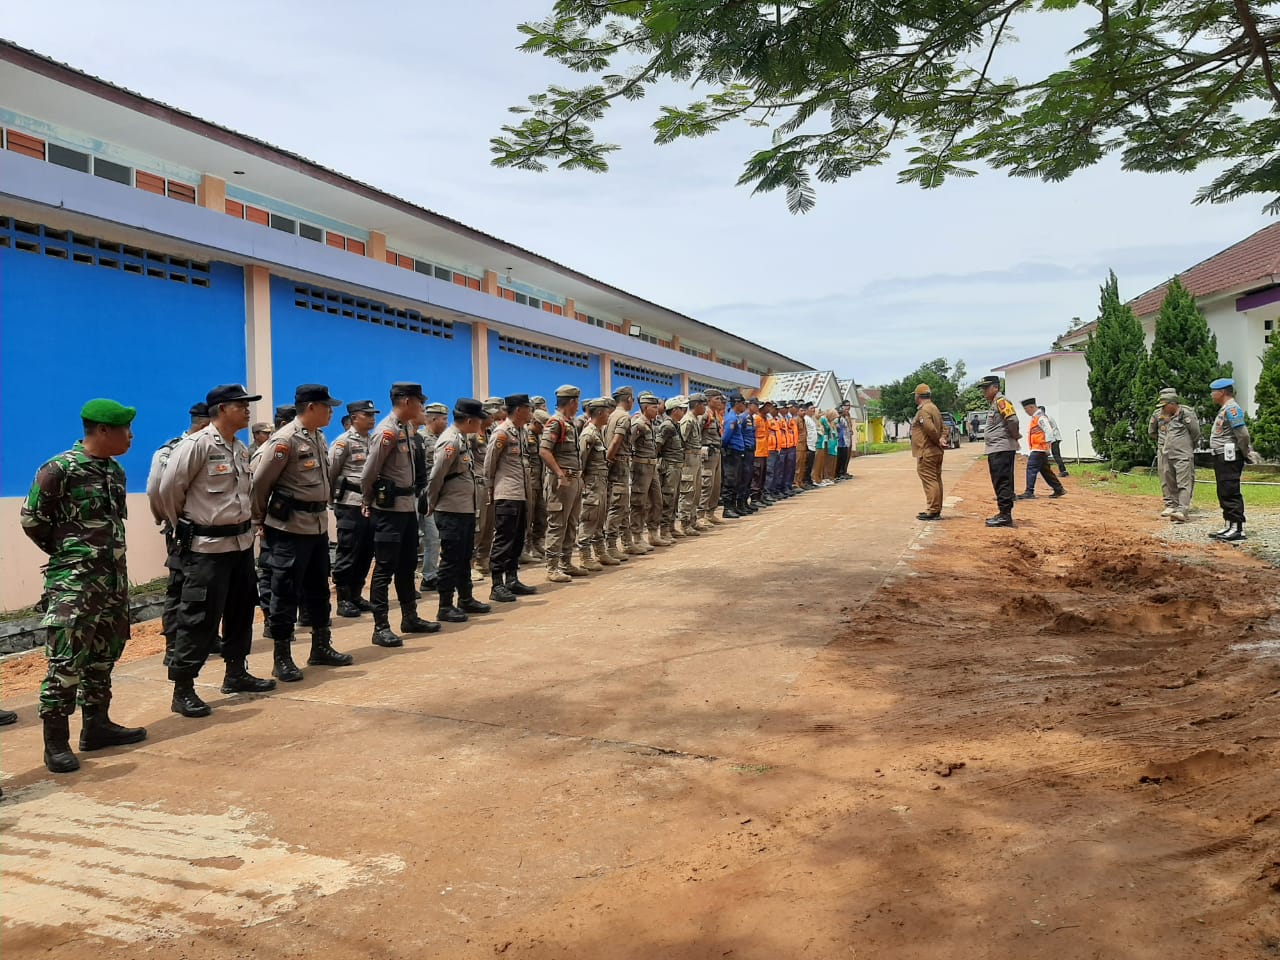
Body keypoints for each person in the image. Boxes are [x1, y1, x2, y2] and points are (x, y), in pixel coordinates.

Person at [21, 398, 147, 773]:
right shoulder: (59, 469)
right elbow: (32, 520)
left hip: (111, 580)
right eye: (125, 429)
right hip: (74, 585)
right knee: (66, 661)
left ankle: (97, 726)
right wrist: (69, 553)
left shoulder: (115, 471)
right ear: (103, 430)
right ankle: (55, 743)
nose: (131, 436)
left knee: (105, 654)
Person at [158, 384, 276, 718]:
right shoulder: (197, 445)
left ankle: (236, 672)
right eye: (242, 405)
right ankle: (183, 689)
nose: (248, 410)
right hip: (206, 548)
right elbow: (168, 490)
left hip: (239, 544)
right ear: (222, 409)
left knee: (240, 611)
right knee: (199, 617)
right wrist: (182, 526)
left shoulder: (239, 447)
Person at [252, 384, 352, 681]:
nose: (331, 412)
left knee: (319, 589)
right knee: (285, 593)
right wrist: (259, 521)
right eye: (327, 407)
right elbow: (259, 484)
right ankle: (281, 657)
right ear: (311, 407)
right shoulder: (284, 441)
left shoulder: (318, 437)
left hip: (316, 525)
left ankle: (320, 646)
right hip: (288, 528)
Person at [361, 382, 440, 648]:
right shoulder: (386, 432)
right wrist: (367, 500)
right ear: (406, 401)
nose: (421, 407)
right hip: (389, 510)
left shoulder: (406, 428)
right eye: (419, 402)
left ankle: (410, 617)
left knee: (407, 565)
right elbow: (370, 472)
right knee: (384, 568)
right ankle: (380, 626)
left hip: (406, 508)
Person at [146, 402, 211, 652]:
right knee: (179, 585)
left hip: (209, 532)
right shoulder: (171, 451)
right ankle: (173, 643)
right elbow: (155, 490)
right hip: (182, 530)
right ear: (204, 424)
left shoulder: (216, 447)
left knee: (208, 586)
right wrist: (170, 521)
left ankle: (207, 637)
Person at [427, 398, 492, 620]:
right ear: (470, 420)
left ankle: (465, 598)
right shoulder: (451, 442)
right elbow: (436, 476)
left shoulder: (463, 439)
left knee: (465, 556)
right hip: (451, 509)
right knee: (451, 558)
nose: (481, 424)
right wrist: (431, 503)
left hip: (464, 508)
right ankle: (445, 605)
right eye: (479, 420)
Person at [330, 399, 378, 618]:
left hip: (370, 504)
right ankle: (343, 598)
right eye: (367, 415)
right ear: (354, 418)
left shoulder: (373, 440)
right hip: (349, 503)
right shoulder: (343, 442)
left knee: (367, 551)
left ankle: (357, 594)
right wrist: (333, 501)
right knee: (349, 550)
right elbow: (331, 473)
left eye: (373, 415)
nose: (372, 418)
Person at [485, 394, 536, 601]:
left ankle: (512, 579)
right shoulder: (502, 433)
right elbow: (490, 464)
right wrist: (490, 489)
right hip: (506, 493)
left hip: (521, 493)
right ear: (518, 410)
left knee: (517, 538)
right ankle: (497, 584)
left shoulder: (521, 431)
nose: (530, 412)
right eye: (527, 408)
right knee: (504, 539)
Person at [542, 385, 588, 580]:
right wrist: (559, 473)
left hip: (573, 480)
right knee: (558, 523)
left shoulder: (569, 424)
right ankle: (552, 567)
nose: (577, 406)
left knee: (571, 523)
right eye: (576, 402)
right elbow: (544, 451)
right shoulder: (555, 423)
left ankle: (566, 562)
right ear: (571, 402)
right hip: (561, 482)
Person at [1208, 377, 1258, 541]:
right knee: (1224, 491)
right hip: (1222, 456)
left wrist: (1245, 452)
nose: (1211, 395)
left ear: (1222, 392)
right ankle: (1229, 524)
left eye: (1213, 392)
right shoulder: (1225, 408)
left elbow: (1243, 434)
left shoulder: (1232, 409)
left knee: (1230, 491)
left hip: (1229, 457)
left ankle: (1237, 528)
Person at [1148, 388, 1201, 524]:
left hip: (1182, 453)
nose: (1163, 409)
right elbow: (1152, 432)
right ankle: (1171, 505)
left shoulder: (1186, 413)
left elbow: (1195, 433)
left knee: (1184, 482)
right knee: (1167, 480)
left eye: (1165, 406)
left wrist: (1186, 446)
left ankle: (1182, 510)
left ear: (1172, 404)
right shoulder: (1157, 414)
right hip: (1165, 453)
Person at [577, 396, 619, 566]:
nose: (609, 416)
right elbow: (581, 461)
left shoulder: (597, 432)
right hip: (591, 483)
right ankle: (585, 556)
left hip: (600, 482)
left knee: (599, 518)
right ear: (600, 413)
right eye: (607, 412)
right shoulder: (588, 434)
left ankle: (600, 552)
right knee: (589, 518)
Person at [978, 375, 1021, 527]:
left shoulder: (1002, 401)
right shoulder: (995, 403)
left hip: (1001, 448)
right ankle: (1004, 513)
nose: (984, 391)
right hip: (998, 448)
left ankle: (1005, 515)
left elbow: (1013, 420)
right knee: (1001, 481)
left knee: (1002, 481)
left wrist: (1015, 436)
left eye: (986, 388)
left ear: (995, 387)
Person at [629, 391, 667, 546]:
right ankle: (637, 537)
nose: (657, 410)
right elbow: (628, 443)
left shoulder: (651, 424)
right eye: (653, 407)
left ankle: (653, 534)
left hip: (652, 467)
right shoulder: (638, 424)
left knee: (657, 501)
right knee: (639, 502)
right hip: (641, 467)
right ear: (645, 408)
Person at [418, 402, 449, 589]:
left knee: (434, 536)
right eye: (444, 419)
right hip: (422, 494)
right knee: (428, 536)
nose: (446, 422)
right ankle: (427, 575)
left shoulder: (442, 438)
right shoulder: (420, 438)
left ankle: (429, 576)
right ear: (433, 419)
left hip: (438, 494)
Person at [605, 386, 637, 558]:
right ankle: (611, 545)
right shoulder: (624, 417)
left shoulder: (611, 416)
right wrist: (609, 461)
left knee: (623, 505)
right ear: (629, 399)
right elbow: (616, 442)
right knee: (617, 506)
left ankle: (626, 542)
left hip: (617, 463)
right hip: (619, 464)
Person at [1017, 398, 1066, 500]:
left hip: (1039, 448)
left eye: (1026, 410)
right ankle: (1058, 489)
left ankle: (1029, 491)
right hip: (1038, 448)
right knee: (1045, 471)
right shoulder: (1036, 417)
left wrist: (1047, 447)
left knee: (1031, 468)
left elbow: (1049, 431)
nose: (1026, 412)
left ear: (1032, 407)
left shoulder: (1040, 418)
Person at [909, 384, 945, 520]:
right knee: (936, 480)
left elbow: (930, 430)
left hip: (927, 451)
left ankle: (933, 509)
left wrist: (937, 440)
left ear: (917, 396)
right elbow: (944, 427)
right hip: (935, 451)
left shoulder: (924, 410)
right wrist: (942, 439)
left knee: (930, 480)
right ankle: (935, 508)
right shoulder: (934, 408)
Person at [656, 396, 688, 541]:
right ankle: (664, 530)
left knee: (674, 498)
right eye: (681, 409)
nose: (683, 411)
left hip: (676, 466)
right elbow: (657, 446)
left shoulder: (675, 425)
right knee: (668, 498)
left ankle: (670, 527)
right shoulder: (667, 426)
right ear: (674, 410)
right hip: (669, 467)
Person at [677, 393, 707, 536]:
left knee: (696, 491)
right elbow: (680, 442)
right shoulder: (687, 420)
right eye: (703, 404)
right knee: (687, 492)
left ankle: (693, 520)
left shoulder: (695, 420)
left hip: (696, 457)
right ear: (696, 405)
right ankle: (685, 523)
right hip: (688, 459)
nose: (705, 408)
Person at [522, 409, 549, 563]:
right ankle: (525, 548)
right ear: (536, 423)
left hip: (540, 482)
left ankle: (537, 544)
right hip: (529, 483)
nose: (543, 429)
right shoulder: (524, 435)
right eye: (542, 426)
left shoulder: (539, 437)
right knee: (527, 517)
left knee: (541, 516)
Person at [699, 390, 726, 525]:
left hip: (716, 453)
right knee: (706, 484)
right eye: (717, 399)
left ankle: (710, 513)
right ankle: (700, 515)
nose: (720, 401)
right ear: (709, 400)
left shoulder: (716, 414)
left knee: (716, 485)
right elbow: (696, 433)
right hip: (707, 454)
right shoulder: (704, 414)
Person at [720, 392, 748, 518]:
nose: (744, 406)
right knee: (730, 480)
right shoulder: (731, 418)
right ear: (737, 403)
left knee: (736, 480)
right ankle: (727, 508)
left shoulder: (736, 417)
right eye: (743, 403)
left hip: (738, 452)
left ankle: (733, 506)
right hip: (732, 452)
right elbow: (725, 438)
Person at [748, 398, 771, 507]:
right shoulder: (756, 419)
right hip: (757, 452)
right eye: (767, 406)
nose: (769, 408)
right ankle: (754, 498)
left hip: (764, 451)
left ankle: (760, 497)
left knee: (762, 476)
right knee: (756, 476)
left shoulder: (764, 419)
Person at [1042, 406, 1068, 476]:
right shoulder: (1047, 418)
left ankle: (1063, 471)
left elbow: (1049, 431)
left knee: (1056, 455)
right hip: (1055, 438)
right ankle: (1063, 470)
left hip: (1054, 439)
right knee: (1056, 455)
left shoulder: (1046, 419)